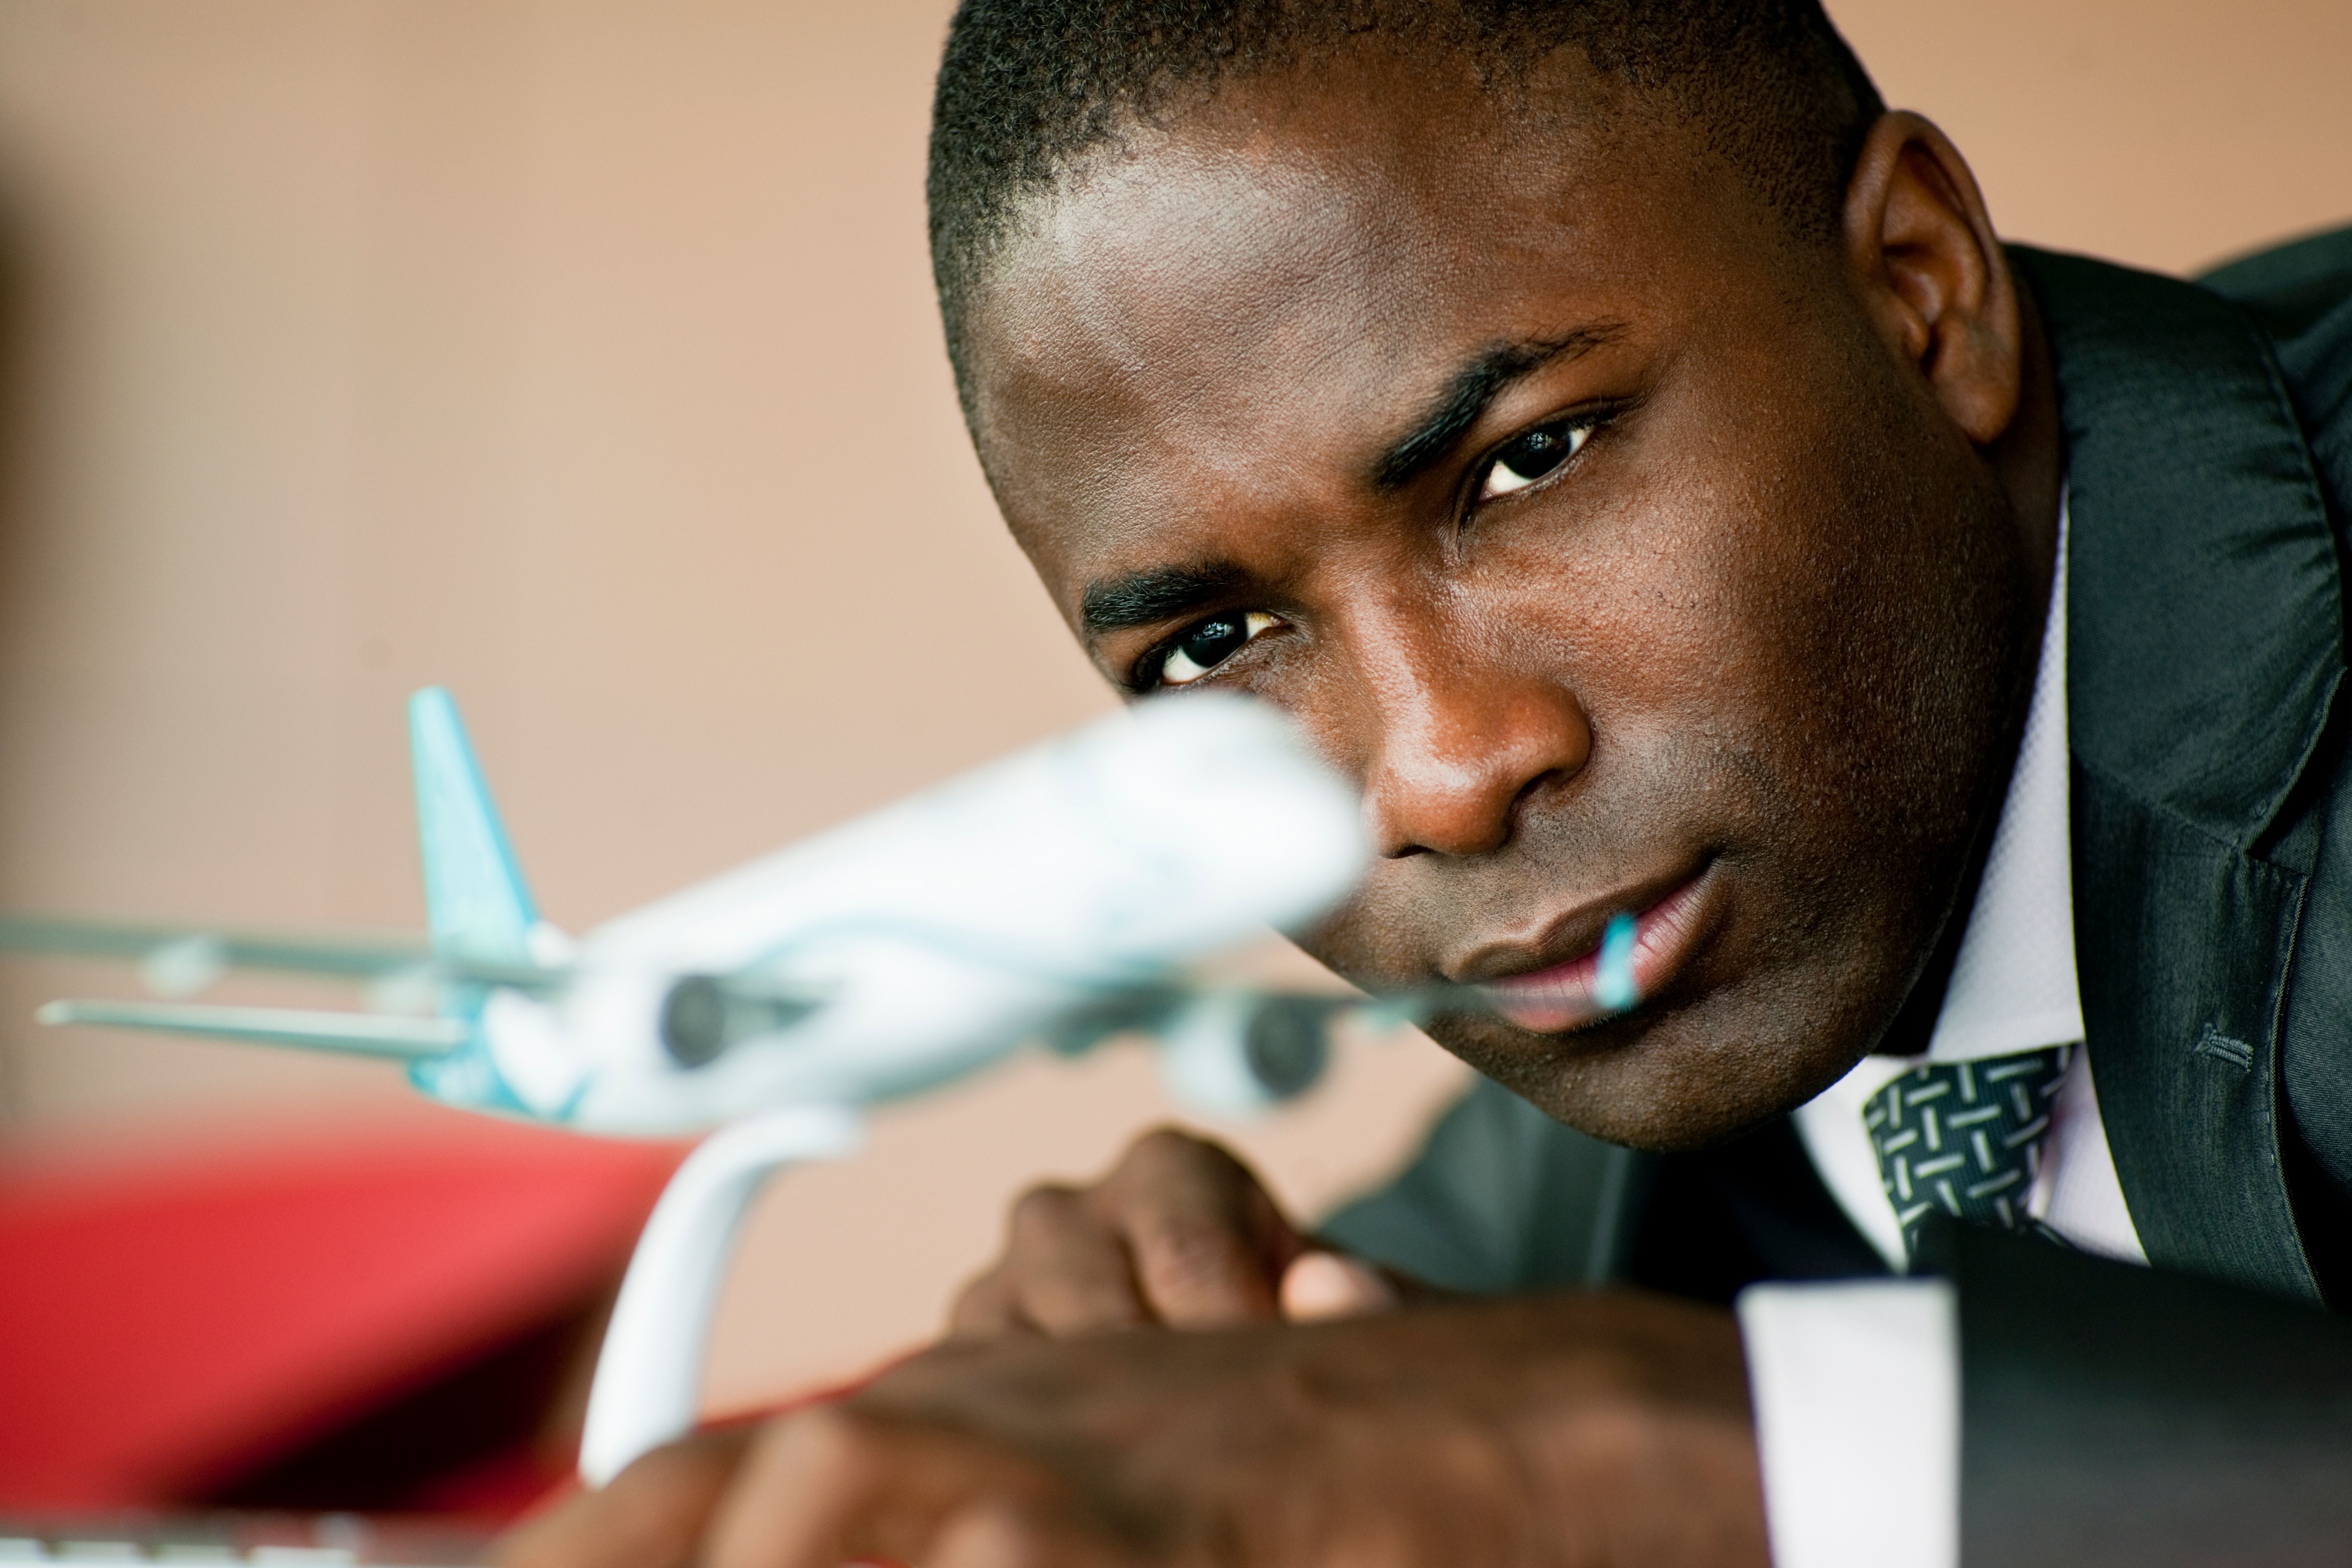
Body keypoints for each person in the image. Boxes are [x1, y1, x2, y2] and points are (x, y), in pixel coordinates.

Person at [501, 2, 2352, 1564]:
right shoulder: (1676, 948)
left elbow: (1620, 1439)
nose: (1446, 775)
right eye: (1217, 649)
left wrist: (1657, 1452)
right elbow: (1399, 1390)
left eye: (1529, 461)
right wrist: (1226, 1364)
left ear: (1919, 290)